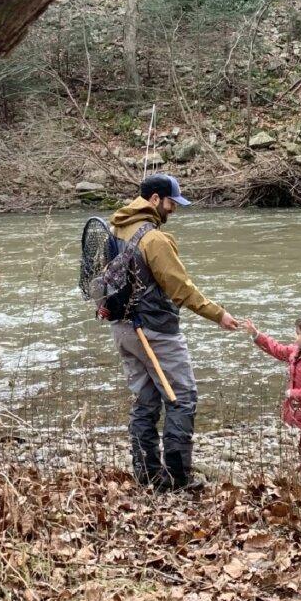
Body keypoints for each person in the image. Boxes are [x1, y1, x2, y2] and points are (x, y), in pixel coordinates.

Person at [108, 174, 238, 491]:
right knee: (182, 399)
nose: (173, 210)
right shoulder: (154, 240)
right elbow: (181, 289)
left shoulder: (115, 228)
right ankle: (179, 480)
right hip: (155, 332)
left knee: (146, 401)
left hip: (123, 330)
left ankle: (148, 476)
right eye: (171, 203)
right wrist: (218, 315)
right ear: (155, 200)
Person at [243, 313, 301, 484]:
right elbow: (277, 349)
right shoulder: (297, 352)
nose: (295, 337)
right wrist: (257, 335)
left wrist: (293, 393)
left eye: (298, 333)